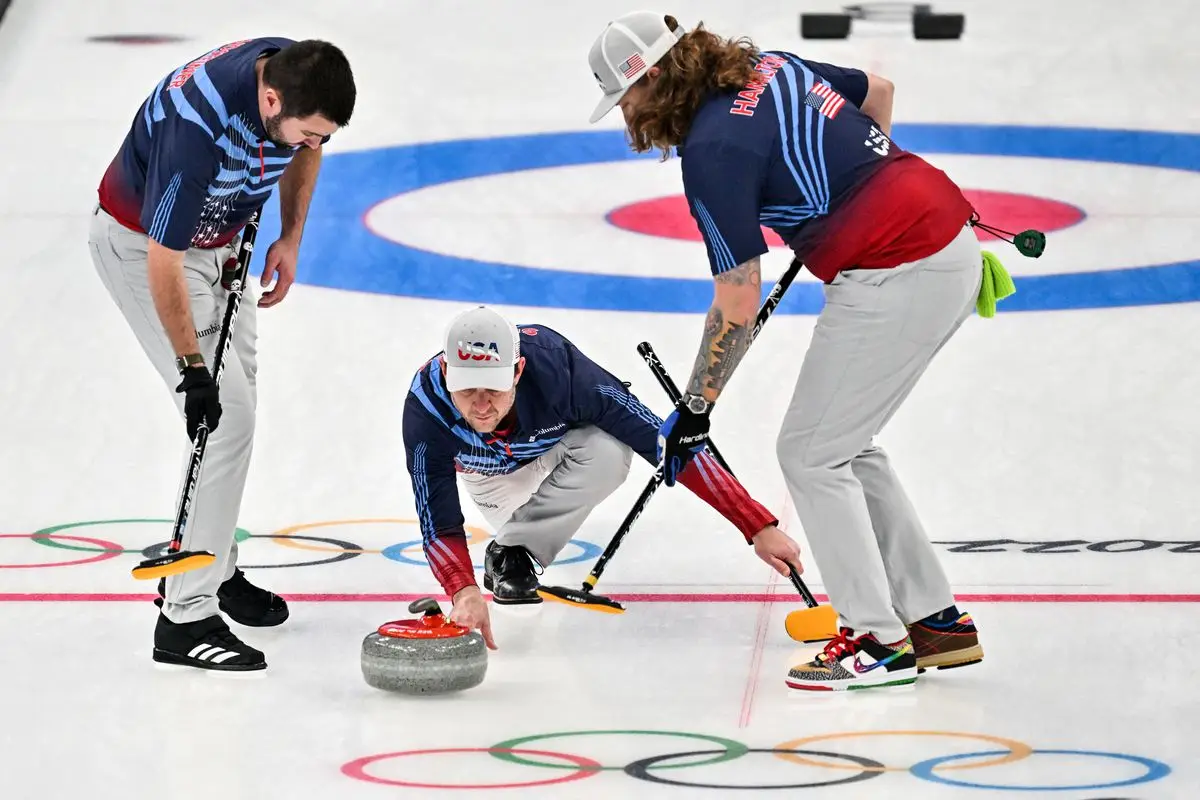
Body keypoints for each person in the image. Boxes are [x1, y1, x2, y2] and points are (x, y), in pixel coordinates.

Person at [587, 11, 986, 690]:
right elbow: (878, 93)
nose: (627, 115)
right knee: (845, 446)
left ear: (654, 78)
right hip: (943, 239)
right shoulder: (768, 65)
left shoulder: (711, 152)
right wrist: (854, 189)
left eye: (625, 98)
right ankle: (932, 620)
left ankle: (878, 640)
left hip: (899, 270)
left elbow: (738, 298)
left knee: (810, 454)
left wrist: (696, 408)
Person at [89, 38, 356, 672]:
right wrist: (191, 370)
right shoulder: (197, 127)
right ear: (269, 100)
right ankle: (184, 618)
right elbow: (162, 262)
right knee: (222, 415)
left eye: (324, 135)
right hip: (146, 252)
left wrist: (289, 236)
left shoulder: (298, 80)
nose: (312, 145)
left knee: (233, 419)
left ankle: (209, 561)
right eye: (308, 133)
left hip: (221, 247)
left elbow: (303, 150)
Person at [402, 305, 804, 649]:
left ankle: (514, 549)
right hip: (489, 479)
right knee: (491, 515)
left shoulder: (562, 370)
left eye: (493, 387)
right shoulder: (426, 406)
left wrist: (755, 524)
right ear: (446, 371)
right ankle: (513, 540)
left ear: (519, 369)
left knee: (610, 451)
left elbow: (664, 443)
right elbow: (437, 522)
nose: (482, 405)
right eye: (467, 389)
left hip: (557, 455)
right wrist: (464, 589)